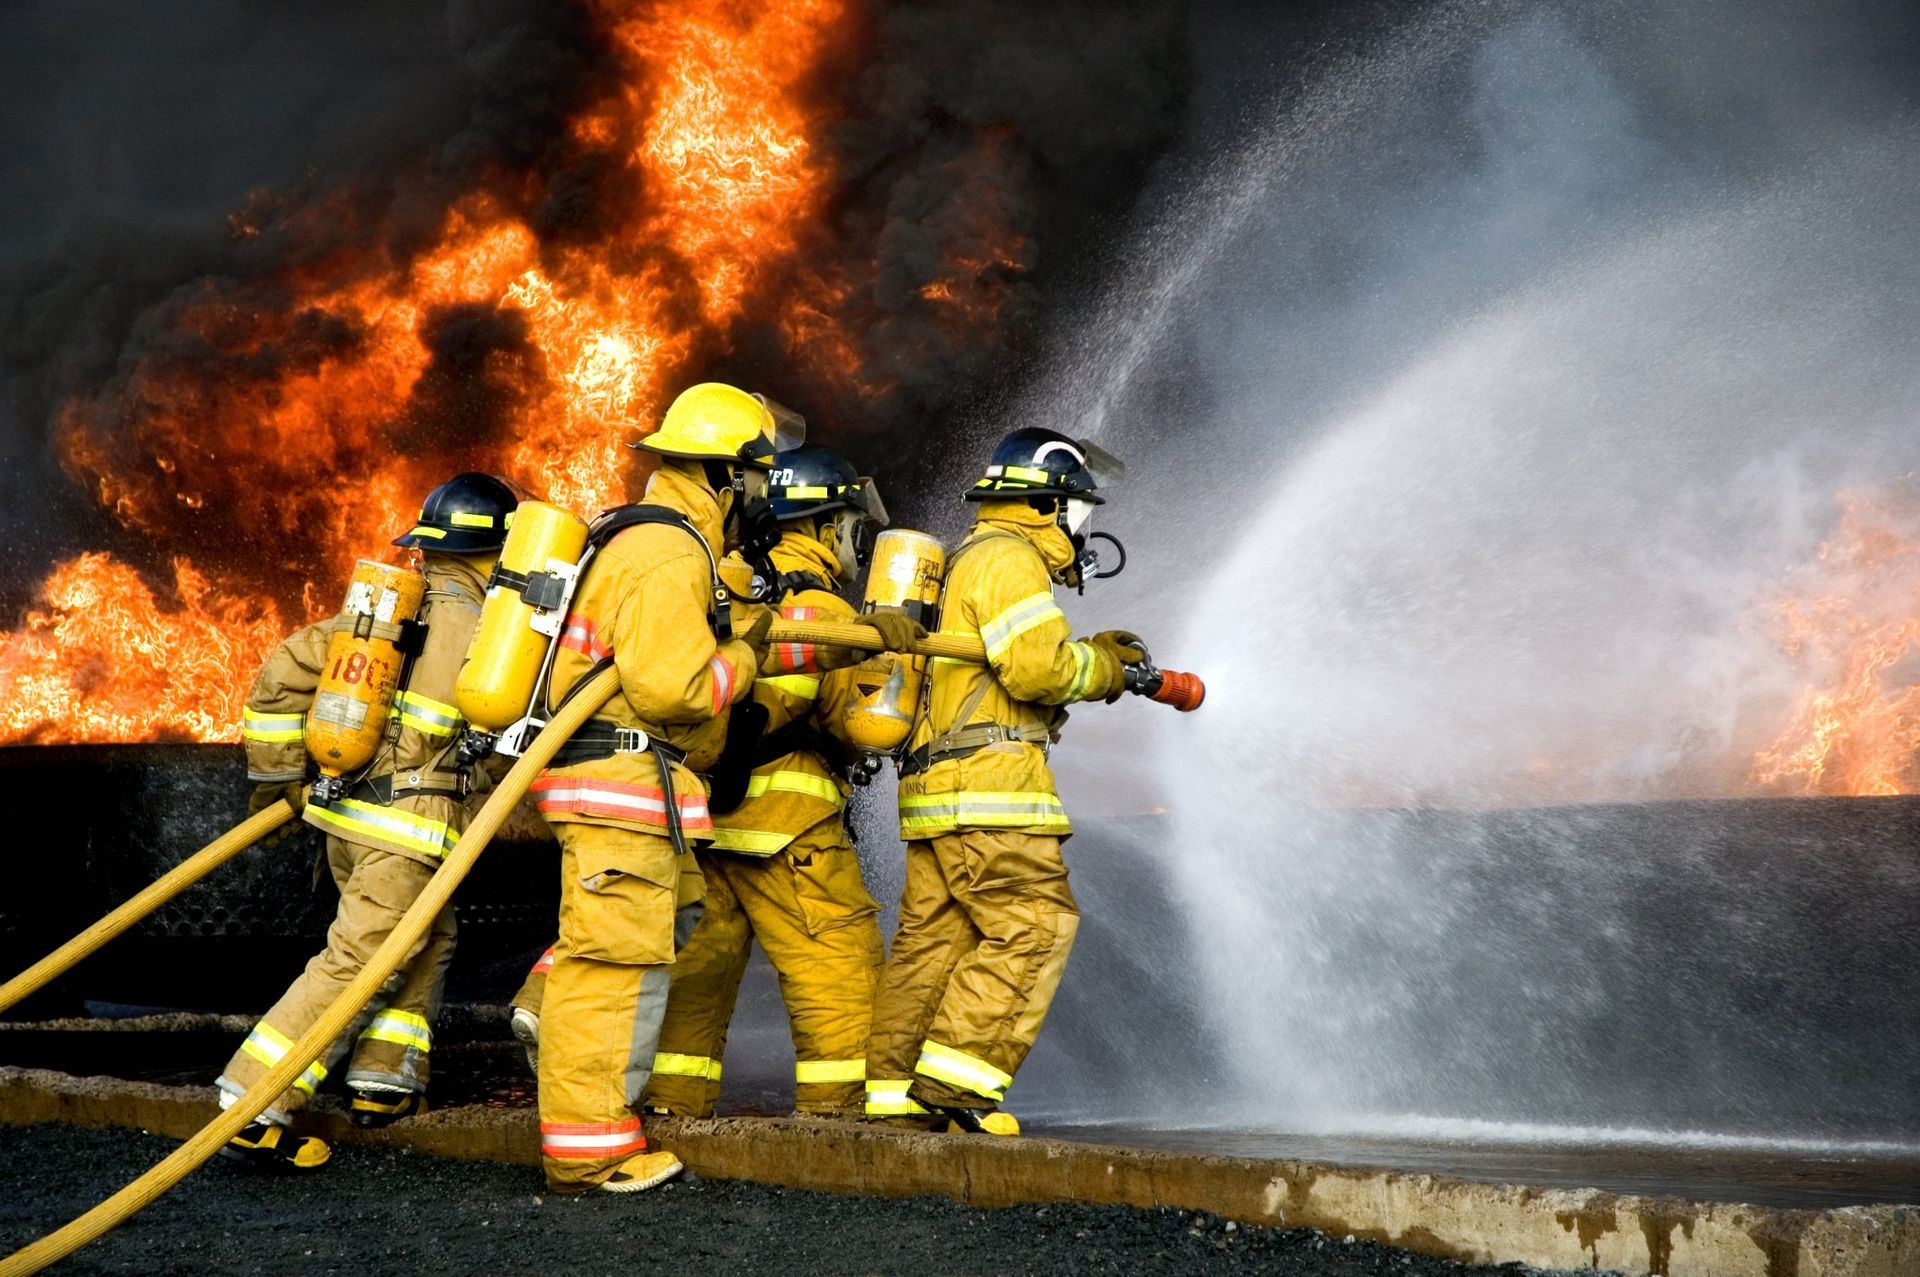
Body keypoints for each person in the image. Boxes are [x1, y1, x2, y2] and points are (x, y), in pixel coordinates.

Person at [508, 445, 924, 1122]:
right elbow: (856, 724)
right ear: (826, 526)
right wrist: (887, 663)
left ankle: (673, 1108)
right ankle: (843, 1123)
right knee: (838, 975)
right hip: (791, 830)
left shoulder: (715, 576)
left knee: (693, 978)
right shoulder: (823, 605)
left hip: (695, 821)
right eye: (849, 524)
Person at [217, 473, 520, 1169]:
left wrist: (278, 779)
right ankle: (252, 1100)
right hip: (406, 834)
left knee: (429, 936)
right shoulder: (491, 638)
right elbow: (505, 747)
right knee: (361, 961)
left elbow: (279, 674)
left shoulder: (374, 616)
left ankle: (383, 1077)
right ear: (497, 553)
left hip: (347, 822)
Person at [528, 382, 780, 1195]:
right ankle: (591, 1148)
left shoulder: (647, 538)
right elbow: (675, 688)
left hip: (629, 786)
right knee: (613, 964)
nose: (760, 495)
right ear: (722, 475)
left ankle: (540, 995)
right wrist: (746, 658)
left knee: (668, 918)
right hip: (623, 784)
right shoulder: (670, 551)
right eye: (755, 476)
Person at [865, 427, 1143, 1134]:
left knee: (935, 944)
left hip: (936, 792)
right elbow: (1037, 669)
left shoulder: (965, 558)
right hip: (989, 792)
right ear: (1048, 505)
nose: (1083, 531)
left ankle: (896, 1101)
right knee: (1036, 923)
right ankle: (961, 1083)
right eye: (1078, 513)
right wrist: (1104, 667)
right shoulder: (1011, 559)